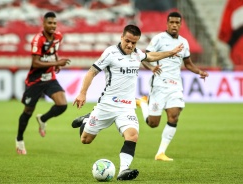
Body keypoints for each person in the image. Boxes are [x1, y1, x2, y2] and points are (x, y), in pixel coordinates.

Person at [72, 25, 183, 180]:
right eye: (128, 41)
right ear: (121, 37)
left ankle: (124, 170)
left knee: (132, 136)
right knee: (86, 140)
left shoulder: (137, 54)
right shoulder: (110, 53)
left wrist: (171, 53)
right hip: (107, 105)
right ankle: (86, 119)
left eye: (134, 43)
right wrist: (82, 93)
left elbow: (151, 57)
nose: (130, 45)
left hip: (126, 107)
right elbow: (92, 72)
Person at [136, 11, 209, 161]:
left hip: (175, 86)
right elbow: (144, 57)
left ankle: (160, 153)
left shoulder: (184, 42)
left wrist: (199, 71)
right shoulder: (158, 39)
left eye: (177, 23)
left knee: (174, 116)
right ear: (167, 24)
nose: (174, 25)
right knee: (153, 124)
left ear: (181, 25)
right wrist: (151, 68)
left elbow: (188, 64)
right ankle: (143, 103)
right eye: (172, 22)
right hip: (159, 85)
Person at [15, 12, 71, 155]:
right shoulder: (37, 40)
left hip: (49, 78)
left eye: (54, 23)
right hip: (35, 80)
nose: (52, 26)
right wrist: (57, 62)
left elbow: (53, 52)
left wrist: (56, 63)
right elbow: (35, 62)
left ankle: (43, 119)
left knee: (62, 104)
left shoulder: (58, 36)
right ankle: (19, 140)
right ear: (43, 24)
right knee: (28, 111)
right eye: (49, 23)